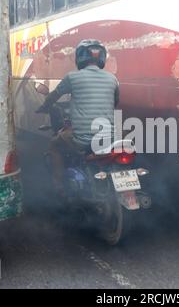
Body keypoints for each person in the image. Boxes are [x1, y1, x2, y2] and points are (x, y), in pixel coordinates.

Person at [36, 39, 120, 197]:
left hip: (83, 139)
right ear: (102, 58)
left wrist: (45, 106)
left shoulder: (72, 78)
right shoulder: (112, 79)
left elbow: (54, 96)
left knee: (54, 144)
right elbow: (115, 102)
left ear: (79, 57)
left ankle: (59, 187)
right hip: (110, 139)